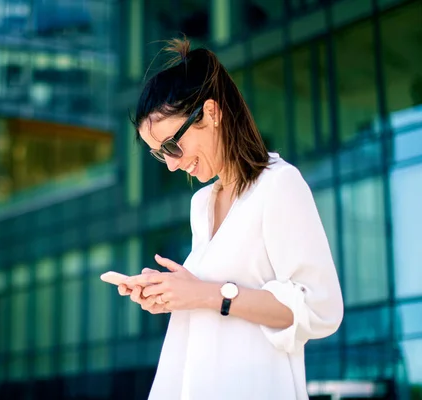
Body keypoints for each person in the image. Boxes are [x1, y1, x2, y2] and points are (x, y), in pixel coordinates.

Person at [119, 38, 344, 400]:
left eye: (172, 145)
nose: (173, 163)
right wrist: (173, 294)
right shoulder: (201, 204)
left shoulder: (279, 184)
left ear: (210, 113)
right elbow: (212, 299)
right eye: (160, 155)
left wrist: (208, 294)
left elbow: (321, 307)